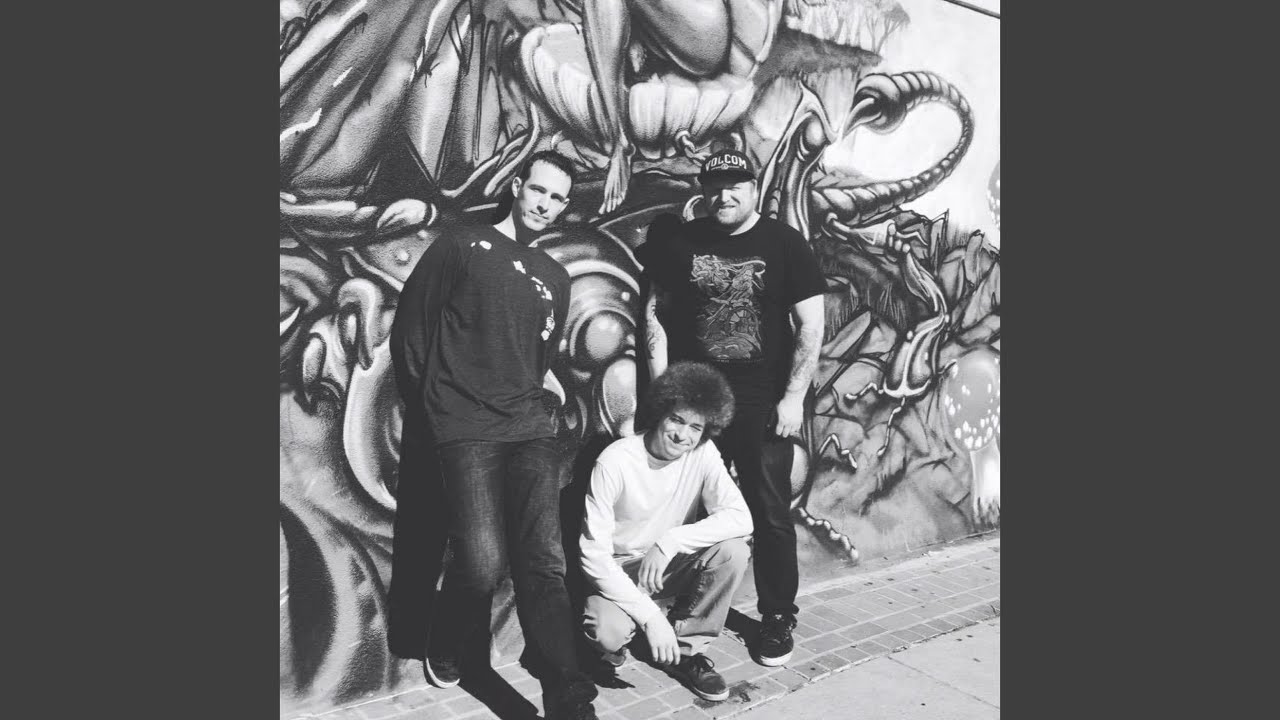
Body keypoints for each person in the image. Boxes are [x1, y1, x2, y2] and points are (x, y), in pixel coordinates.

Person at [388, 150, 598, 720]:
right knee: (481, 562)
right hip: (464, 427)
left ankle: (569, 697)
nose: (545, 205)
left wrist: (541, 403)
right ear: (517, 185)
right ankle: (447, 634)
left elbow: (538, 357)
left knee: (544, 563)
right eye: (539, 190)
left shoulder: (555, 277)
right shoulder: (463, 245)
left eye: (557, 198)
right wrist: (432, 412)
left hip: (529, 428)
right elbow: (412, 330)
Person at [634, 149, 827, 667]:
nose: (725, 196)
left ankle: (777, 616)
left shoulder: (785, 243)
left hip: (763, 403)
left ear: (754, 188)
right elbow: (655, 314)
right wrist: (662, 392)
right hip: (697, 403)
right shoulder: (682, 243)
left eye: (736, 185)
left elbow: (811, 324)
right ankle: (678, 610)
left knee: (769, 512)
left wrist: (793, 398)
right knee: (684, 505)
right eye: (716, 186)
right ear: (704, 190)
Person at [579, 362, 752, 701]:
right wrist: (651, 619)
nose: (683, 435)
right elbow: (593, 557)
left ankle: (686, 652)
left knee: (734, 551)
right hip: (621, 568)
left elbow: (741, 517)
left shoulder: (702, 453)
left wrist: (670, 541)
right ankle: (637, 629)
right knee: (607, 634)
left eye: (696, 427)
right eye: (677, 419)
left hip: (668, 564)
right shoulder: (615, 461)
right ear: (660, 413)